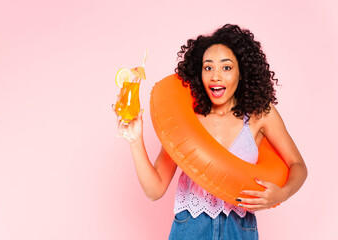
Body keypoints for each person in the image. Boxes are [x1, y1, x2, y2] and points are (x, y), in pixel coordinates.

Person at [113, 24, 307, 240]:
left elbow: (297, 165)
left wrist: (282, 193)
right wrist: (135, 139)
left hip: (240, 228)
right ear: (199, 72)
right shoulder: (187, 122)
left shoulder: (260, 115)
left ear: (241, 73)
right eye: (208, 68)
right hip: (191, 227)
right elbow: (155, 190)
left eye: (226, 68)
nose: (216, 76)